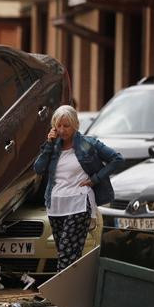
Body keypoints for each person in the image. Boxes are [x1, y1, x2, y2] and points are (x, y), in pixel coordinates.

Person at [34, 105, 123, 270]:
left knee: (67, 255)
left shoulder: (86, 144)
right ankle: (73, 290)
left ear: (75, 125)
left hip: (79, 203)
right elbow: (38, 168)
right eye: (58, 125)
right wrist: (48, 144)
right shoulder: (52, 147)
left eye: (66, 125)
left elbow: (117, 159)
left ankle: (61, 292)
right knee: (64, 253)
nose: (62, 130)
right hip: (55, 206)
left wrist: (95, 179)